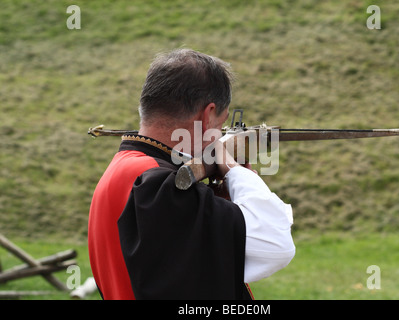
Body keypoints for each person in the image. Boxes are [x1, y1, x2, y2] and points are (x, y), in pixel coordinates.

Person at [88, 48, 295, 300]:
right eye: (221, 123)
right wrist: (233, 169)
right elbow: (275, 244)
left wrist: (217, 200)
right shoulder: (157, 184)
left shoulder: (124, 170)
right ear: (208, 116)